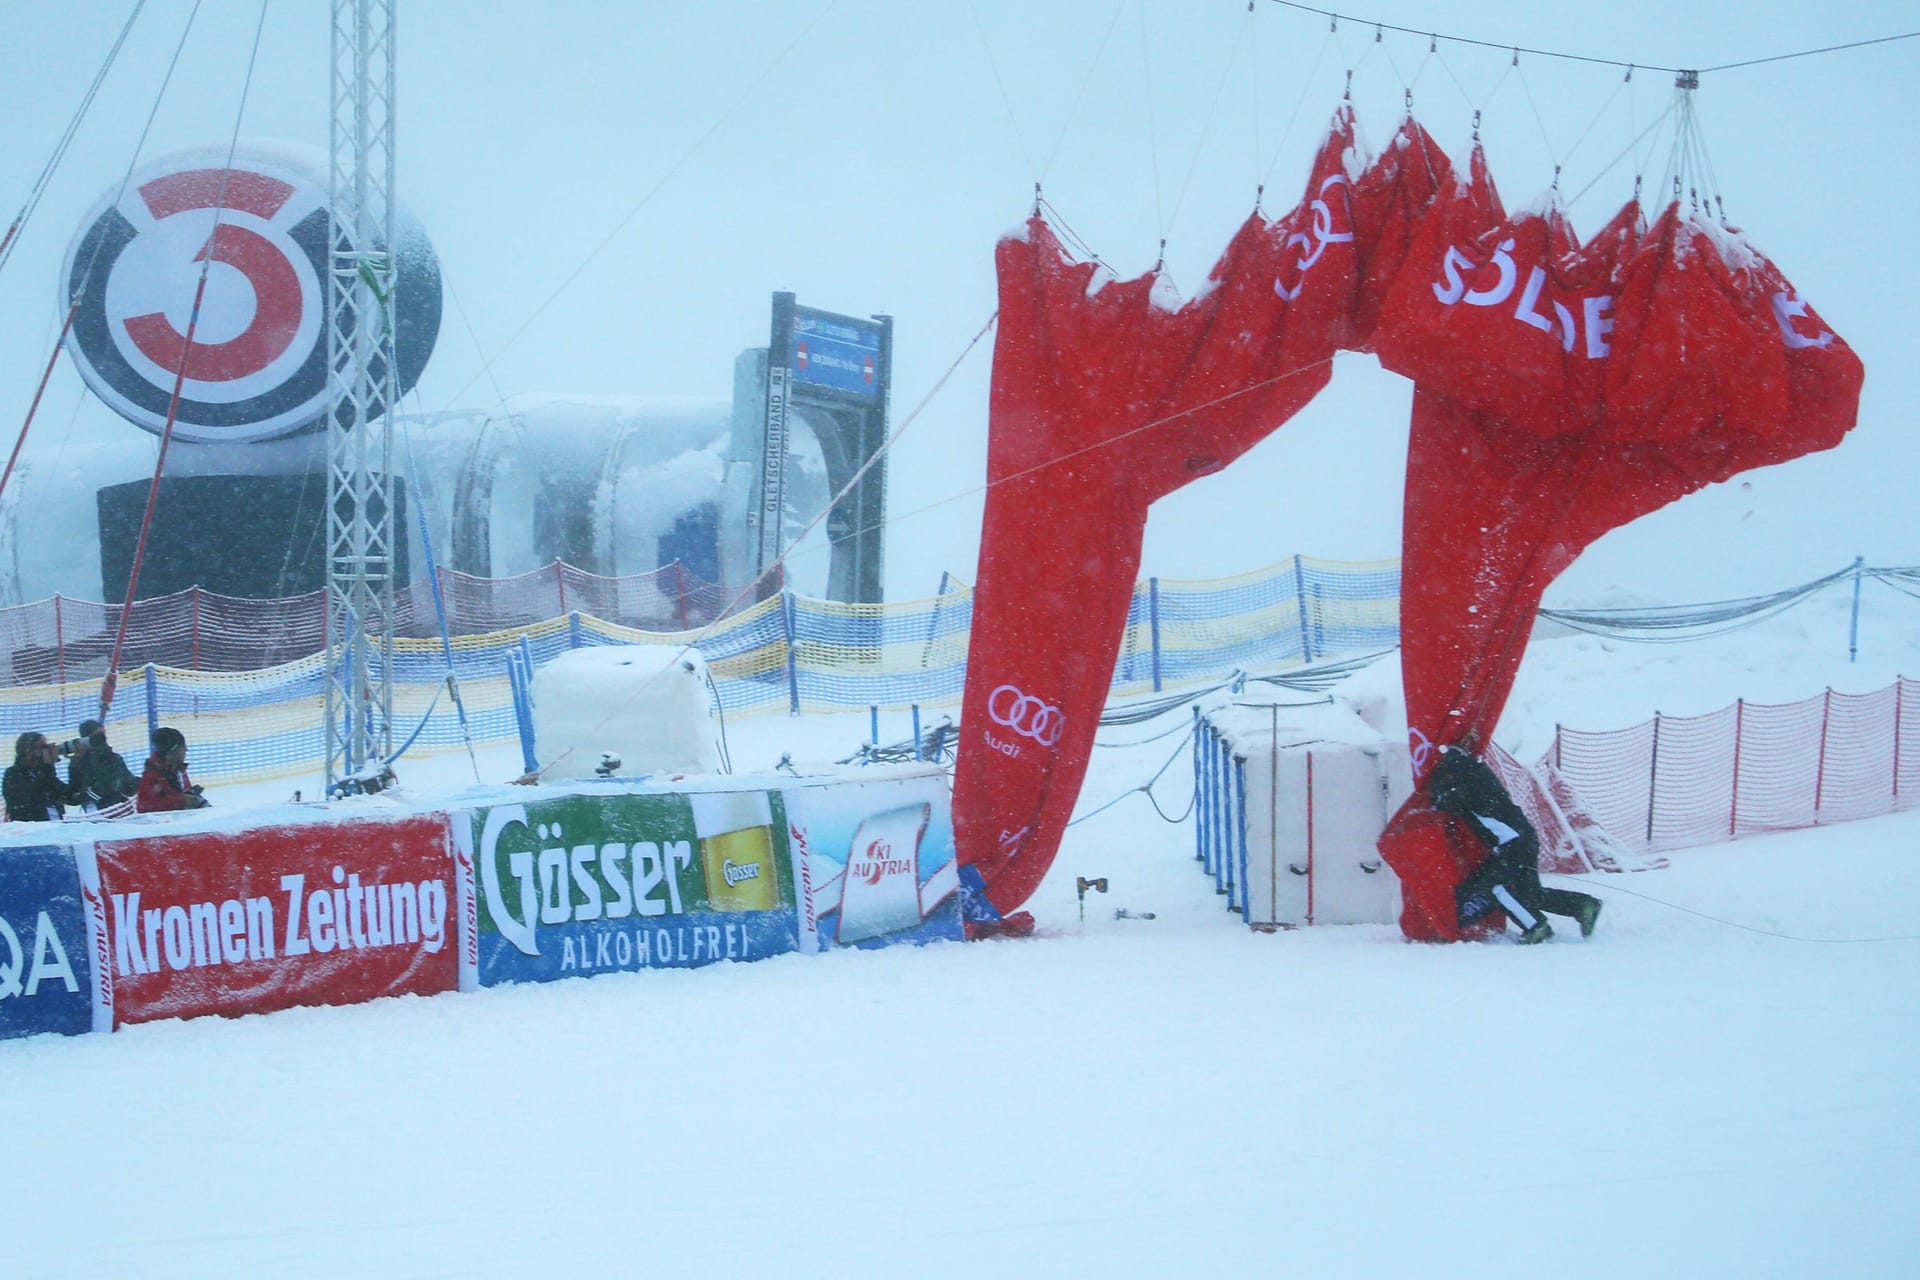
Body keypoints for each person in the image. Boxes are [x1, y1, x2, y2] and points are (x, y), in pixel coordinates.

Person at [1425, 742, 1600, 944]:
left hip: (1514, 845)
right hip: (1522, 840)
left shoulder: (1468, 789)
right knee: (1531, 895)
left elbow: (1442, 801)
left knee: (1495, 887)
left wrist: (1435, 779)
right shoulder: (1480, 778)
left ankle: (1535, 927)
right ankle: (1583, 906)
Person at [3, 731, 80, 822]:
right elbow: (28, 803)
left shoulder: (44, 774)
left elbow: (72, 797)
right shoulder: (13, 774)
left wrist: (75, 765)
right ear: (29, 751)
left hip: (55, 828)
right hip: (30, 830)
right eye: (43, 747)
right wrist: (48, 767)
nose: (47, 750)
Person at [68, 718, 138, 811]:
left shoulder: (113, 757)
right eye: (99, 735)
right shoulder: (81, 760)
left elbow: (127, 781)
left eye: (103, 734)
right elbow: (80, 788)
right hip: (100, 810)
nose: (104, 738)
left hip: (119, 806)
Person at [137, 726, 209, 813]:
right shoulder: (153, 776)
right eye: (183, 746)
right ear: (173, 751)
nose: (186, 750)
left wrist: (189, 794)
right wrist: (182, 801)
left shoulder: (177, 768)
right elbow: (147, 807)